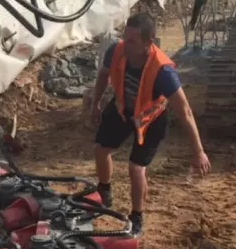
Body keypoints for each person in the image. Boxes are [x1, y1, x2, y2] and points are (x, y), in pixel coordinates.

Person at [88, 13, 211, 237]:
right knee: (100, 150)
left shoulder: (163, 71)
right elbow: (104, 75)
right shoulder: (116, 51)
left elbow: (185, 112)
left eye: (133, 41)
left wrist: (199, 152)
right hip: (122, 108)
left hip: (150, 119)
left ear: (148, 42)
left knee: (136, 168)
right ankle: (104, 190)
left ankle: (137, 216)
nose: (126, 44)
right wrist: (95, 103)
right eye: (125, 37)